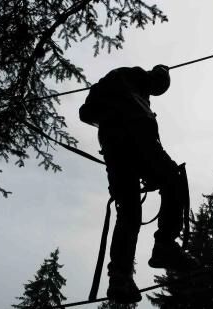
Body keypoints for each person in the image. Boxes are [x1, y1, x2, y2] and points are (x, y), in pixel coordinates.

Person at [80, 65, 199, 303]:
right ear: (155, 77)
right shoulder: (132, 79)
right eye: (158, 86)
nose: (156, 91)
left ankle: (120, 277)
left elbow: (89, 113)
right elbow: (96, 113)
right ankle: (164, 244)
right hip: (132, 139)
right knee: (172, 179)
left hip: (116, 147)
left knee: (130, 212)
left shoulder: (136, 91)